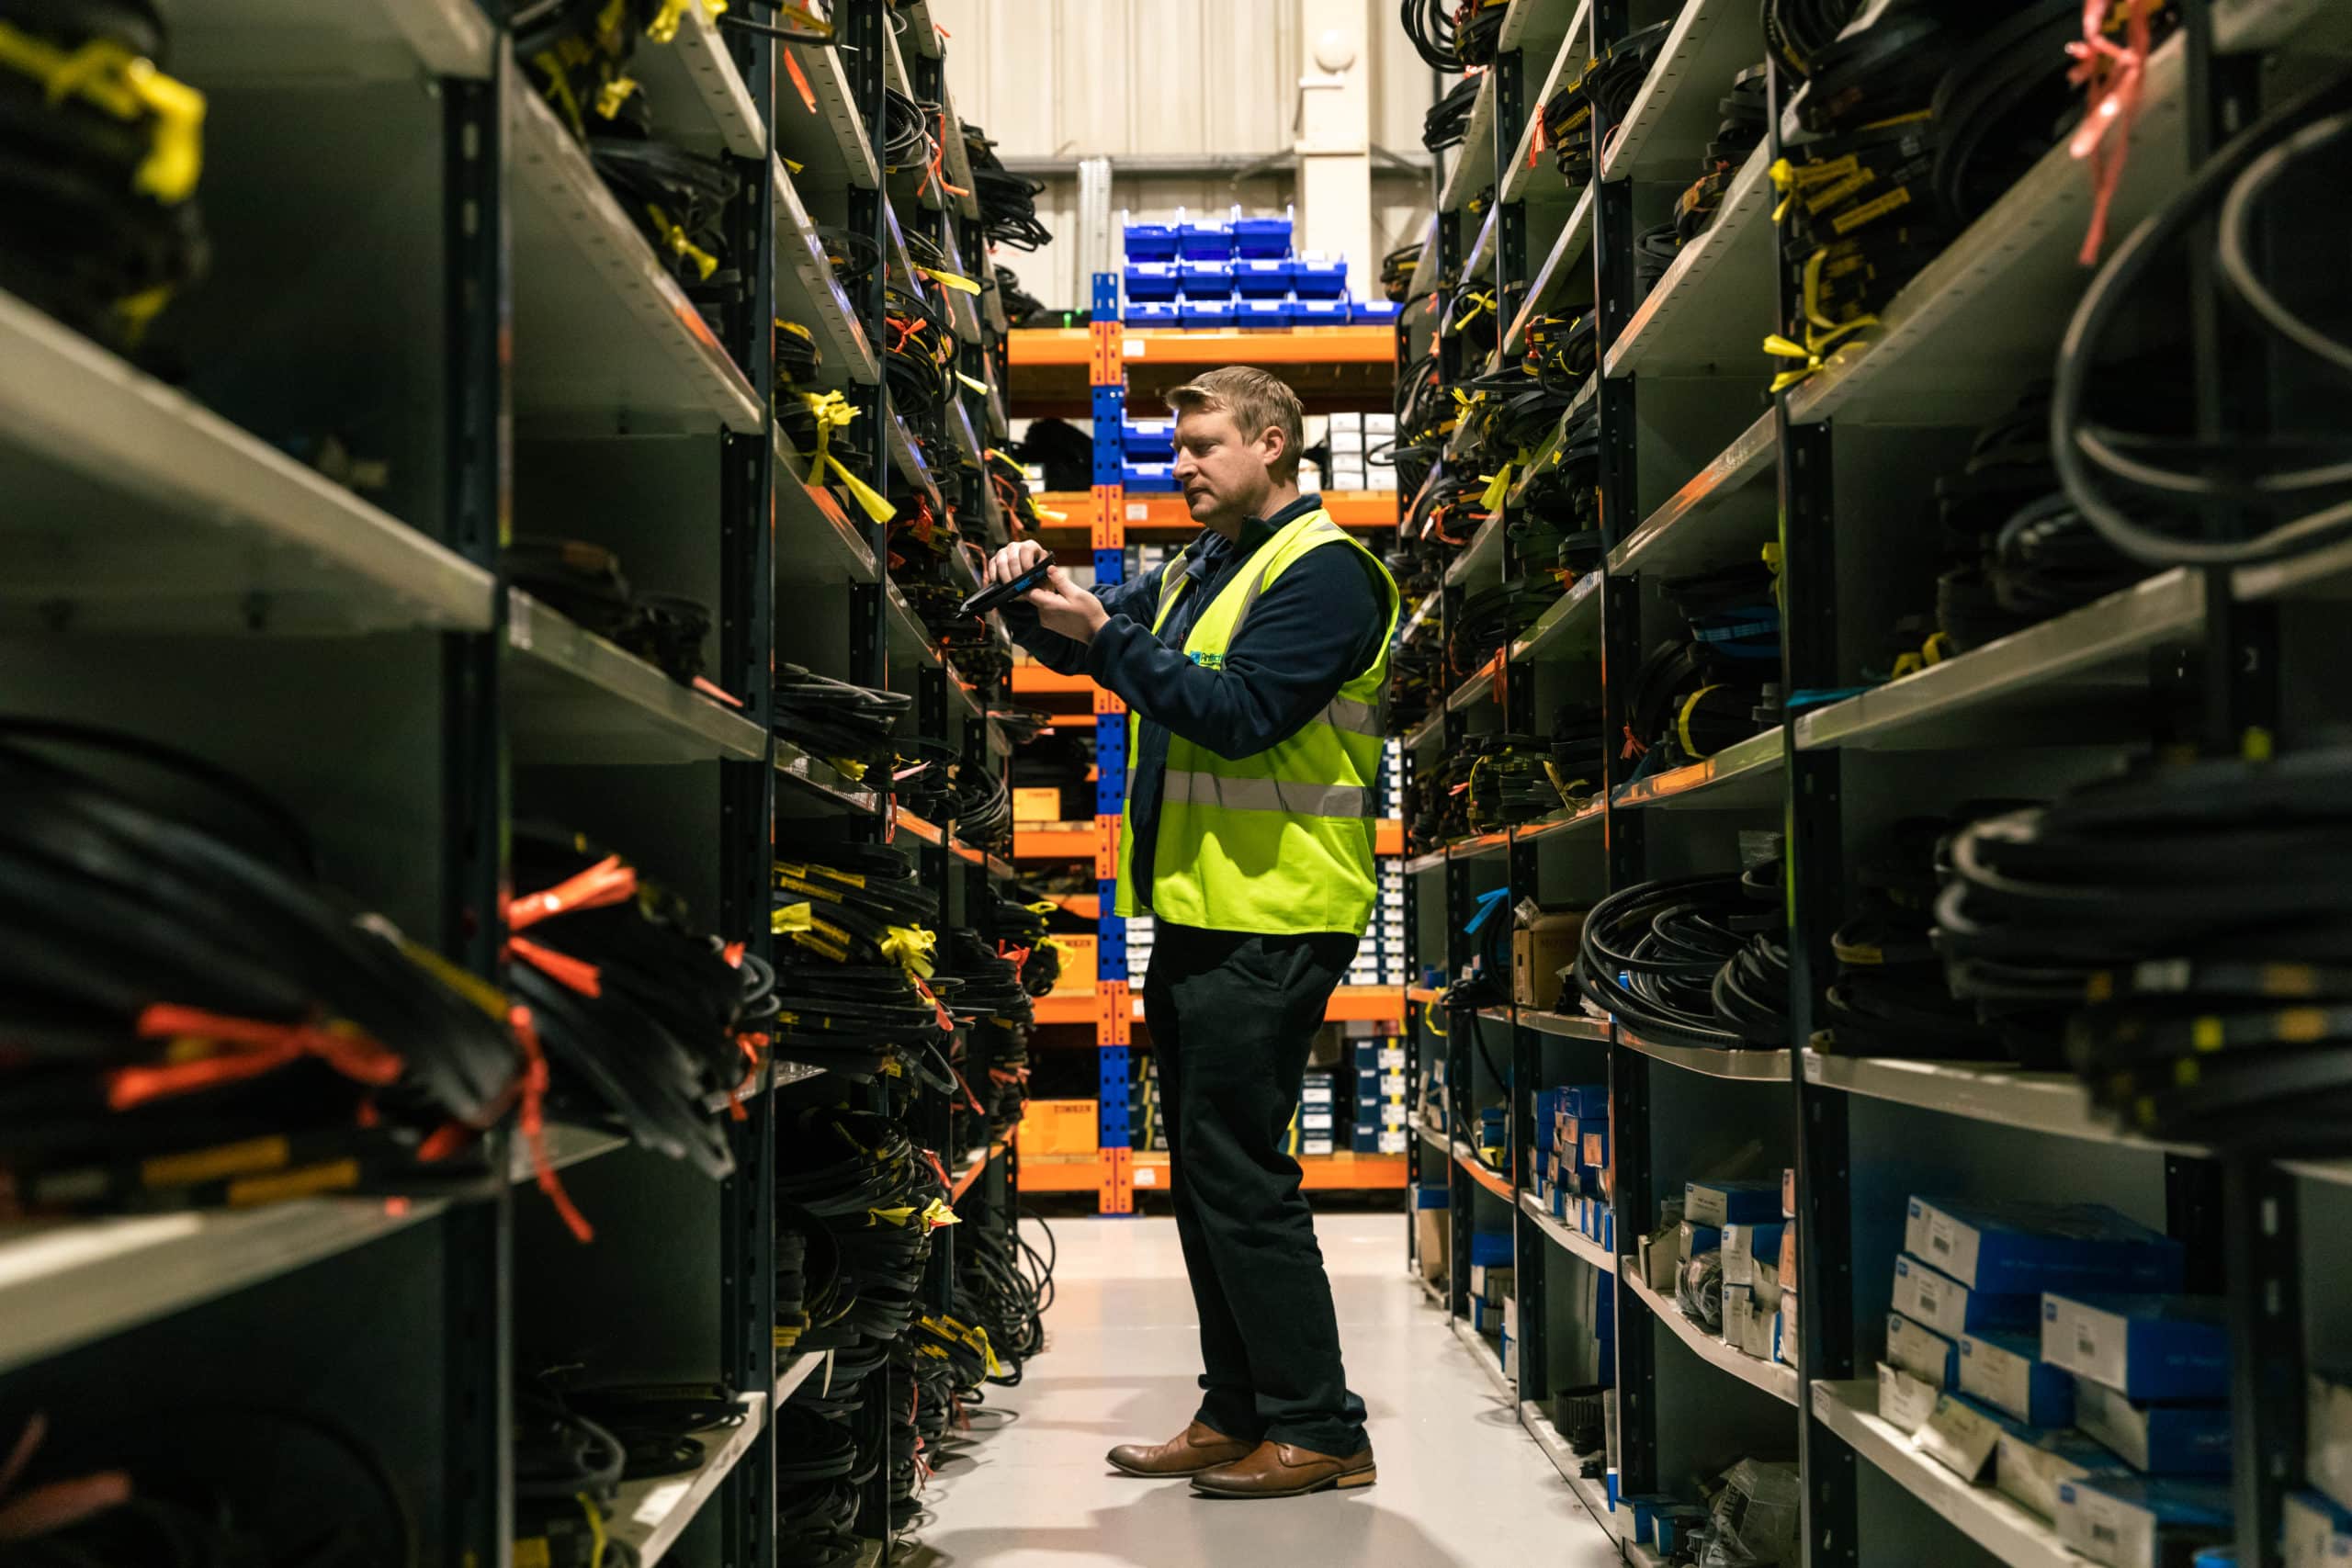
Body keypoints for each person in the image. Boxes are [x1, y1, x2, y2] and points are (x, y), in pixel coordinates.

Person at [985, 367, 1398, 1500]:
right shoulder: (1205, 567)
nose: (1182, 467)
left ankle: (1321, 1426)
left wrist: (1107, 642)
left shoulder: (1325, 574)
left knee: (1243, 1176)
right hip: (1203, 911)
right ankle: (1239, 1409)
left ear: (1274, 446)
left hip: (1277, 910)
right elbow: (1110, 646)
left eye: (1205, 445)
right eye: (1177, 449)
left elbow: (1241, 712)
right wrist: (1039, 597)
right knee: (1209, 1177)